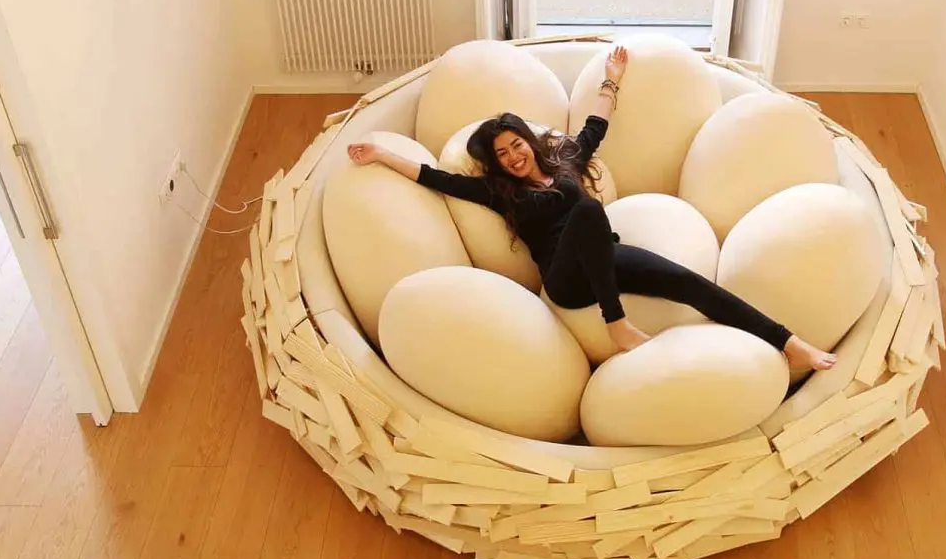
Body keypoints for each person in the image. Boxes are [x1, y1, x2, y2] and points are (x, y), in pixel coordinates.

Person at [347, 46, 836, 374]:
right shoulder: (500, 193)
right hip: (566, 281)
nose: (513, 157)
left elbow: (594, 127)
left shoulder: (565, 161)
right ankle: (616, 324)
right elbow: (435, 178)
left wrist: (611, 80)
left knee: (691, 283)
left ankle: (788, 344)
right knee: (587, 213)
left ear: (528, 142)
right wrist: (382, 154)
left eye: (516, 145)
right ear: (496, 164)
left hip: (603, 255)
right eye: (502, 155)